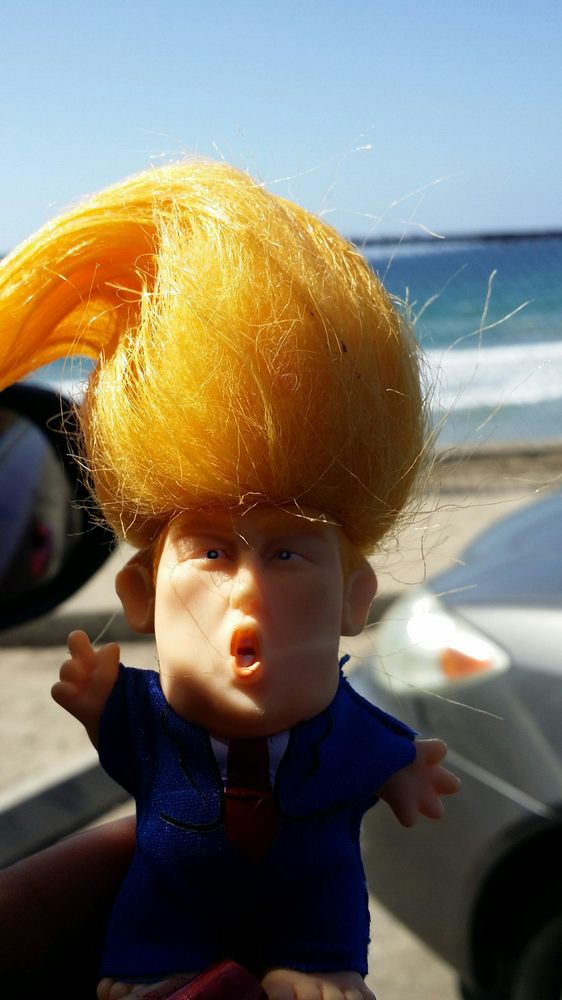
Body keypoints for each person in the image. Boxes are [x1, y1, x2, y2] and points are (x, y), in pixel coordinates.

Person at [0, 160, 459, 1000]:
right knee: (154, 905)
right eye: (211, 554)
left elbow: (379, 749)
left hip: (311, 902)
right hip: (167, 905)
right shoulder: (149, 720)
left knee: (325, 903)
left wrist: (407, 771)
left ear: (356, 596)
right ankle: (150, 963)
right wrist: (99, 696)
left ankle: (319, 964)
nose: (248, 593)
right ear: (140, 597)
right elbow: (121, 727)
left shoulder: (345, 728)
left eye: (287, 554)